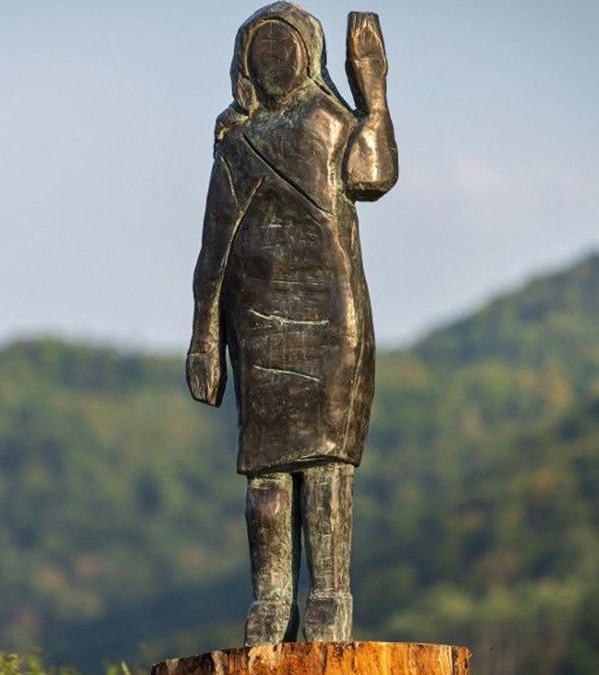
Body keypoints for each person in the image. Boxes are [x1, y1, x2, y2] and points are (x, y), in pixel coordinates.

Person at [185, 2, 398, 645]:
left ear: (307, 56)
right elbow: (214, 246)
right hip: (257, 323)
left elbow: (375, 173)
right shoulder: (235, 140)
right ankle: (270, 601)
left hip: (331, 316)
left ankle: (330, 598)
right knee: (267, 477)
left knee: (327, 467)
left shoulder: (333, 122)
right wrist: (204, 335)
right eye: (261, 50)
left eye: (284, 48)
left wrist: (375, 92)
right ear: (245, 62)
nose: (273, 61)